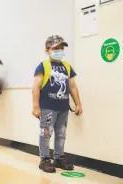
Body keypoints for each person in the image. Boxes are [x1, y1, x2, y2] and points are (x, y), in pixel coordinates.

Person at [32, 35, 83, 173]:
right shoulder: (43, 66)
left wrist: (78, 104)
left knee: (61, 134)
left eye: (61, 48)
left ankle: (59, 158)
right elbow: (36, 87)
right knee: (46, 133)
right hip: (47, 107)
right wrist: (36, 107)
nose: (59, 50)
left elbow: (72, 86)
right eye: (55, 48)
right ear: (47, 50)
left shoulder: (66, 66)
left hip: (63, 108)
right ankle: (44, 159)